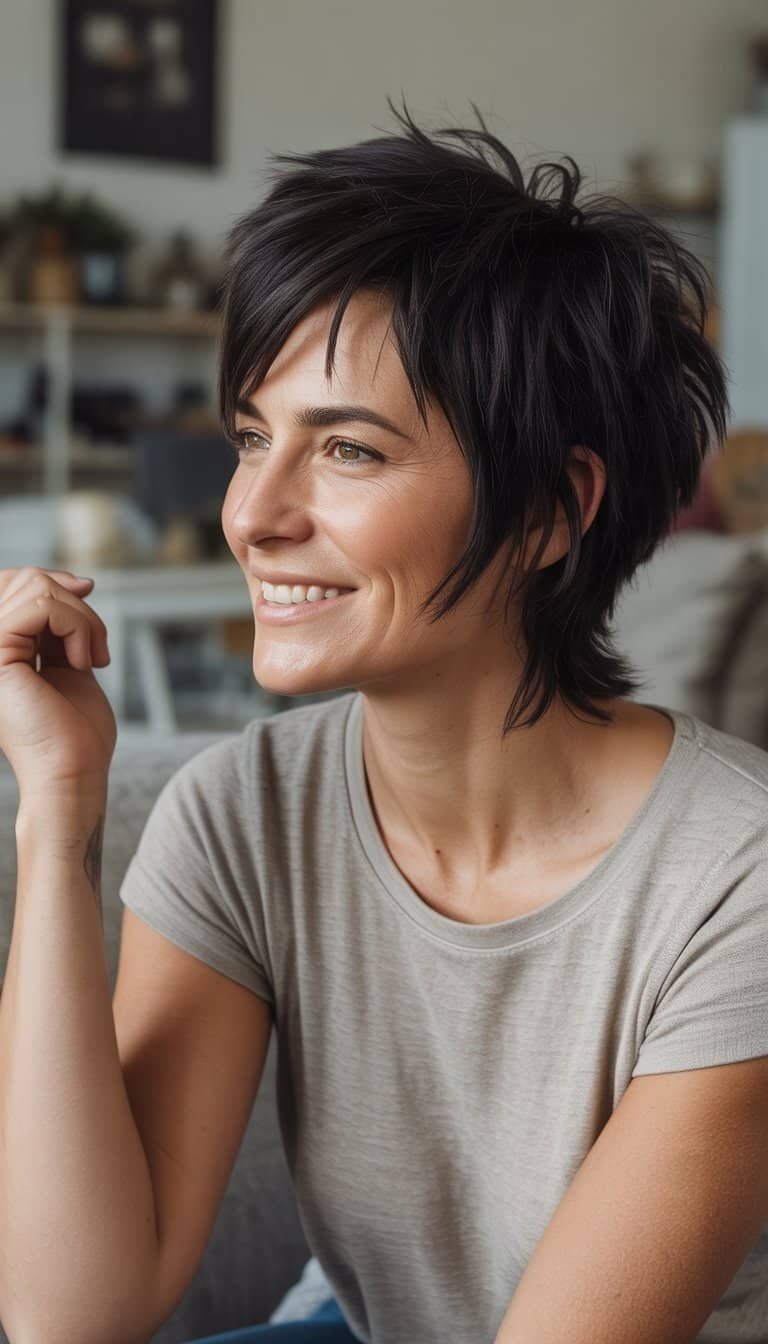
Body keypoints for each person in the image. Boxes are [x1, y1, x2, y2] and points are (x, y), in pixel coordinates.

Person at [0, 98, 766, 1344]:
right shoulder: (242, 812)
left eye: (348, 451)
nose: (253, 513)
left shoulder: (735, 884)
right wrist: (56, 817)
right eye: (254, 437)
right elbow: (72, 1310)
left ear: (551, 512)